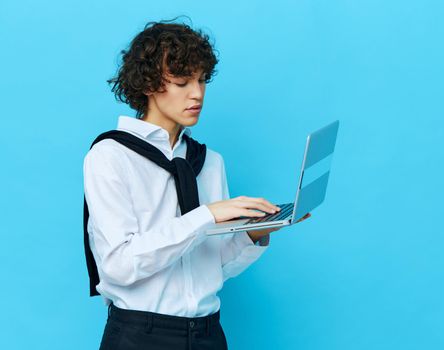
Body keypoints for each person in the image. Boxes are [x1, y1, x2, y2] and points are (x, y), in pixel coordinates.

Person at [83, 17, 310, 350]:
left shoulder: (208, 161)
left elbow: (212, 264)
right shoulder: (110, 157)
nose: (197, 93)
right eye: (182, 82)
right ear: (147, 84)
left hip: (207, 334)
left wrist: (253, 233)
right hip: (139, 335)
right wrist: (206, 215)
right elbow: (118, 266)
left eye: (202, 80)